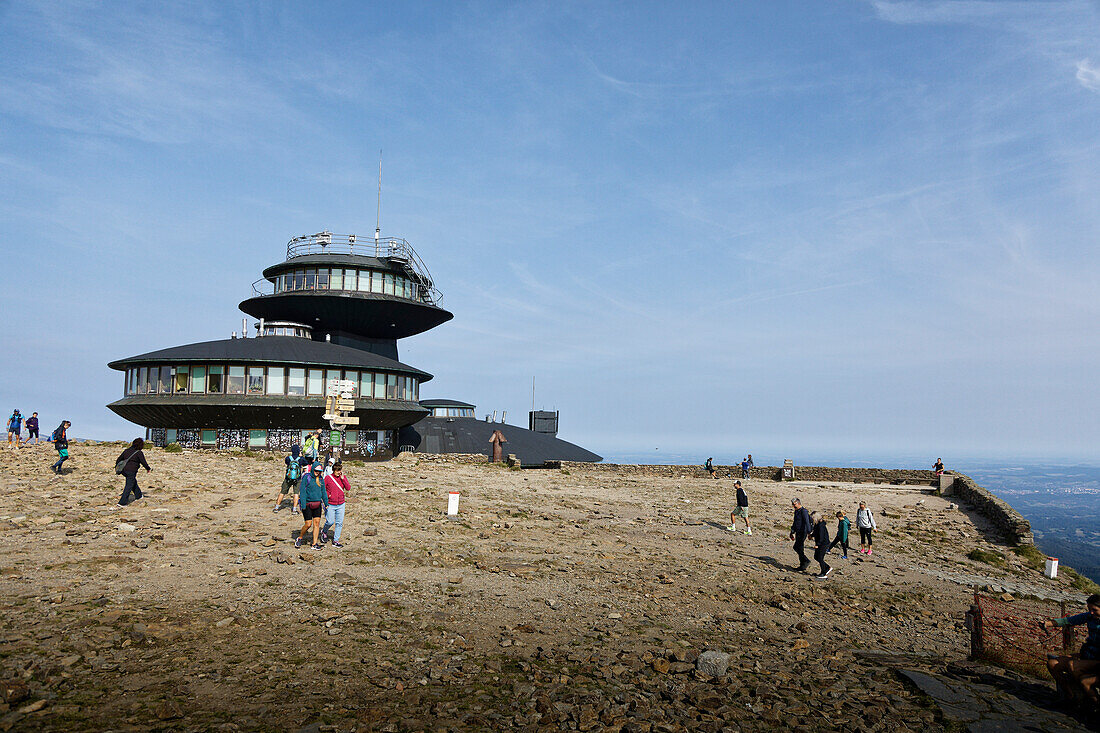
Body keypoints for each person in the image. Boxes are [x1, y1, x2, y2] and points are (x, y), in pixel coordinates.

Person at [1042, 594, 1100, 706]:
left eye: (1094, 610)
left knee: (1072, 665)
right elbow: (1069, 621)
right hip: (1087, 655)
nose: (1091, 612)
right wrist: (1048, 624)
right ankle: (1070, 695)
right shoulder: (1089, 617)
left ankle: (1089, 699)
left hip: (1097, 660)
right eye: (1089, 609)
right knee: (1052, 664)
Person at [295, 462, 327, 550]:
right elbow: (303, 491)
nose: (318, 472)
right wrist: (303, 504)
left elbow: (323, 491)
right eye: (316, 471)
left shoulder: (321, 479)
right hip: (308, 504)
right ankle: (300, 537)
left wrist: (326, 503)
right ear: (313, 469)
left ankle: (314, 544)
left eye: (320, 471)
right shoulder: (306, 477)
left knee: (316, 524)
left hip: (317, 504)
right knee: (308, 524)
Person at [115, 438, 151, 507]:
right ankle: (122, 503)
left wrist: (117, 467)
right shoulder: (139, 452)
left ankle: (139, 496)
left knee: (132, 481)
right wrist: (148, 468)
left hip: (123, 471)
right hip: (131, 471)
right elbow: (143, 462)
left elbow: (119, 459)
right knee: (129, 485)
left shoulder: (126, 451)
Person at [322, 461, 349, 548]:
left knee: (339, 523)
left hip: (341, 503)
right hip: (331, 503)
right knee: (330, 521)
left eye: (340, 470)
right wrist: (327, 496)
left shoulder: (343, 477)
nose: (338, 472)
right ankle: (324, 531)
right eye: (337, 470)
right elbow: (323, 489)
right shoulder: (328, 478)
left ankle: (336, 540)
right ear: (333, 470)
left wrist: (343, 479)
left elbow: (348, 488)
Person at [274, 444, 303, 513]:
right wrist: (301, 456)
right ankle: (294, 509)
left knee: (282, 492)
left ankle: (276, 507)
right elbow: (305, 463)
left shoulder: (288, 458)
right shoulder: (301, 459)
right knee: (296, 493)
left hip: (288, 478)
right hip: (297, 479)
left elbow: (287, 463)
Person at [789, 498, 812, 572]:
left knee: (798, 547)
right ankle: (803, 564)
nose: (793, 506)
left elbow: (807, 522)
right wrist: (792, 531)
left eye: (794, 504)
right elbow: (795, 522)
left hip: (803, 532)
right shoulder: (796, 511)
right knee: (797, 548)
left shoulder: (804, 511)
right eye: (792, 504)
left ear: (798, 503)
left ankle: (805, 562)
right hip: (798, 532)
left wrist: (809, 533)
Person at [812, 511, 832, 580]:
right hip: (821, 543)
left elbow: (821, 536)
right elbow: (816, 533)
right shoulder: (817, 525)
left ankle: (824, 572)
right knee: (816, 557)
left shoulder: (821, 526)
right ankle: (827, 567)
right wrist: (811, 535)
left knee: (820, 558)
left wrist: (817, 545)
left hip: (824, 544)